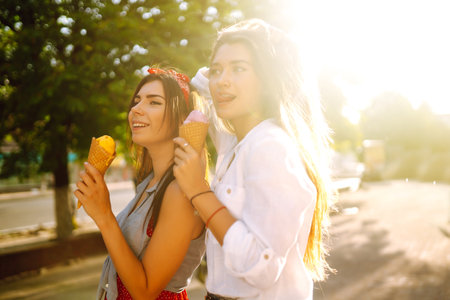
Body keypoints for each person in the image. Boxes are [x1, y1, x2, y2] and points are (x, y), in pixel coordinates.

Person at [173, 19, 334, 299]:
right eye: (217, 70)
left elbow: (260, 267)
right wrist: (246, 35)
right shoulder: (235, 141)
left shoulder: (269, 146)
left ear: (268, 81)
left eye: (239, 69)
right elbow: (201, 81)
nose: (222, 80)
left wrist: (199, 191)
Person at [74, 67, 206, 300]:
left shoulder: (180, 190)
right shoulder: (149, 182)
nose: (135, 109)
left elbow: (144, 291)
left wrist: (104, 216)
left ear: (181, 117)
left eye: (154, 102)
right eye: (136, 101)